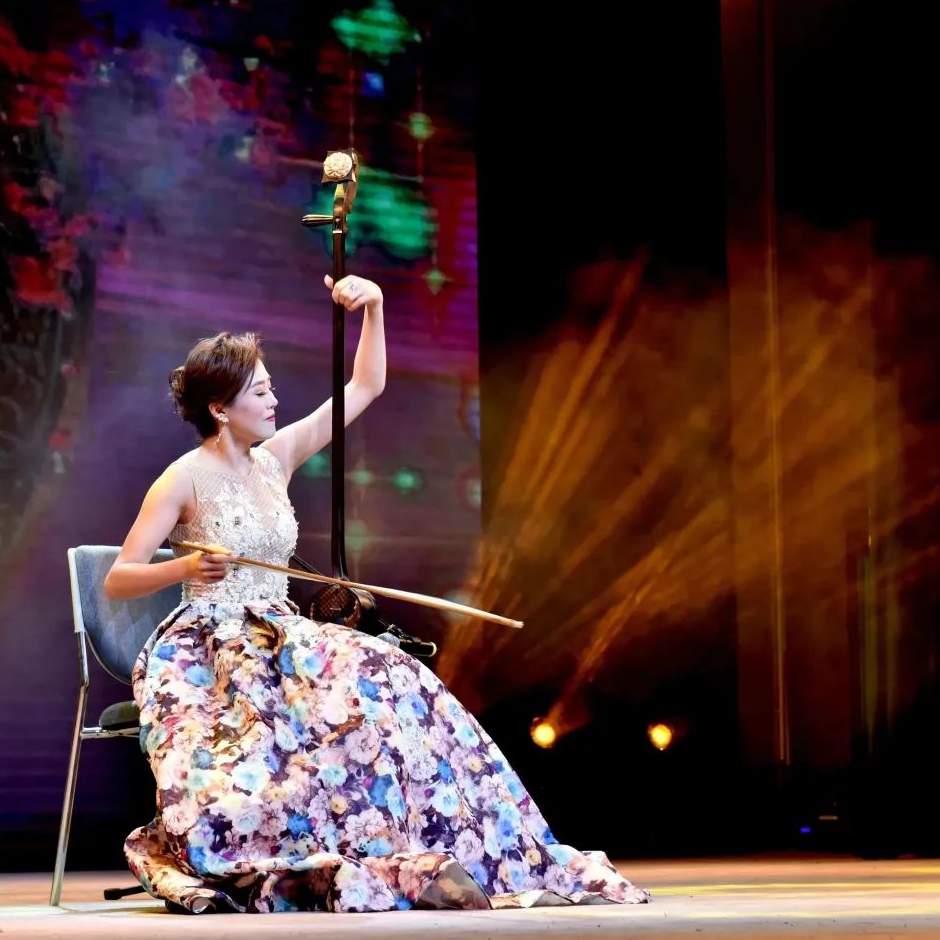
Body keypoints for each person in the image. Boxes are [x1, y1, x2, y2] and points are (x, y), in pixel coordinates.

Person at [105, 274, 650, 913]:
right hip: (214, 648)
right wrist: (185, 567)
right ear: (221, 409)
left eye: (271, 386)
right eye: (261, 391)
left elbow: (364, 387)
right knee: (322, 706)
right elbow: (120, 577)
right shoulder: (182, 479)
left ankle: (444, 843)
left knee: (392, 673)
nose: (275, 399)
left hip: (280, 633)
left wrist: (376, 309)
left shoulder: (275, 458)